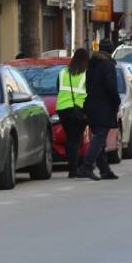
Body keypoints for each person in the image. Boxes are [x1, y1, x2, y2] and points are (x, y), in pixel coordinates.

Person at [78, 38, 120, 181]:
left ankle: (104, 170)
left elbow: (88, 85)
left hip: (91, 104)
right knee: (100, 137)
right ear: (111, 50)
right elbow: (111, 87)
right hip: (103, 106)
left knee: (99, 137)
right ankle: (87, 166)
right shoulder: (108, 65)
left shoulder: (92, 64)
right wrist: (116, 102)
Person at [56, 48, 89, 178]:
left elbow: (58, 88)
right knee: (75, 139)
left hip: (63, 109)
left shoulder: (62, 72)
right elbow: (90, 92)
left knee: (70, 138)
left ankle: (72, 166)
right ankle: (74, 170)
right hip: (78, 109)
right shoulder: (86, 74)